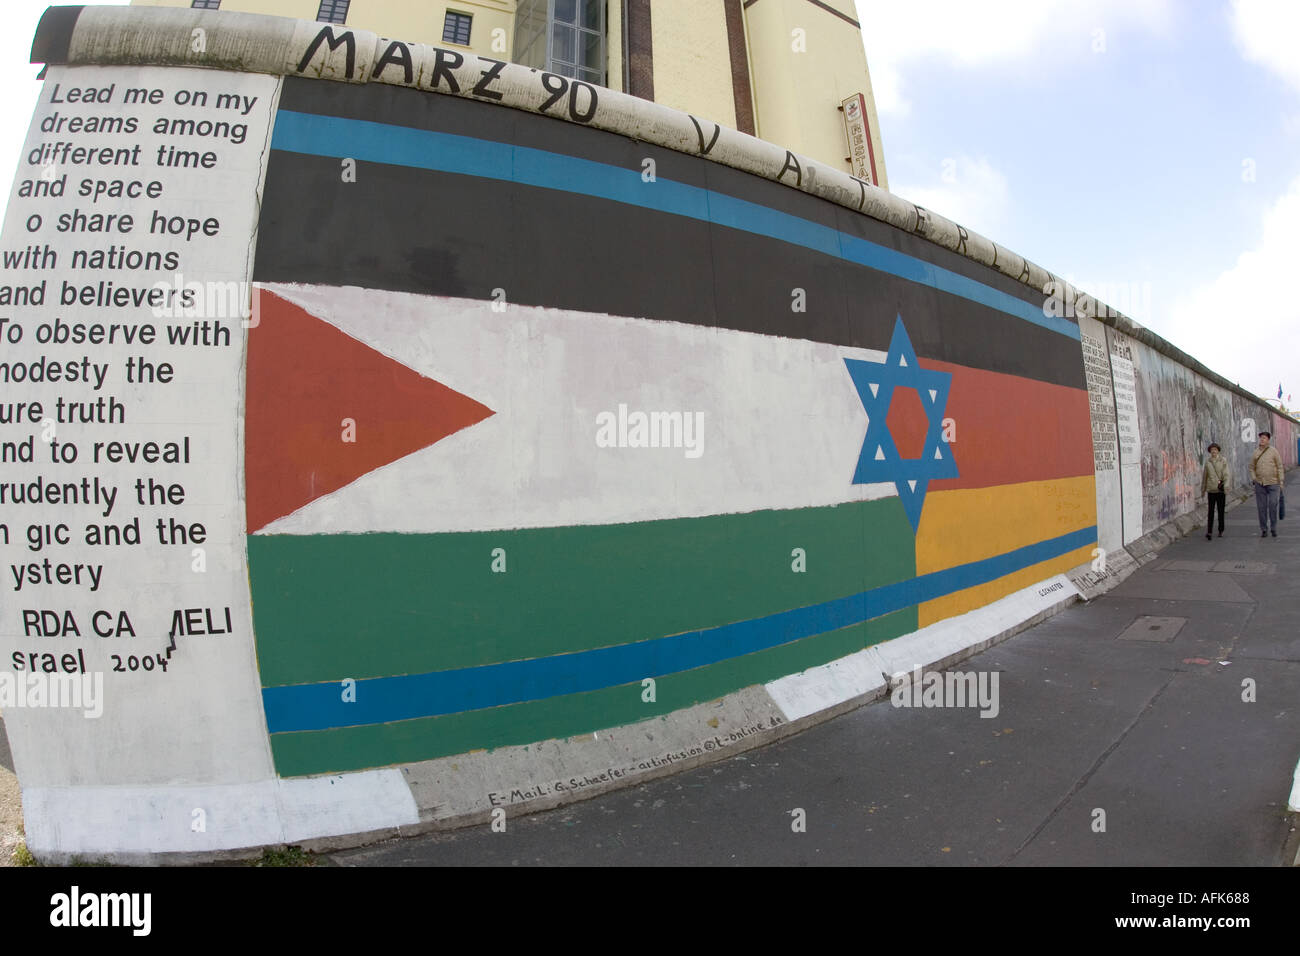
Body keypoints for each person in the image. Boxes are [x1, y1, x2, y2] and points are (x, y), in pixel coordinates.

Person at [1250, 430, 1284, 537]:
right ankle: (1264, 529)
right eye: (1261, 438)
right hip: (1260, 483)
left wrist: (1281, 480)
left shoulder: (1274, 451)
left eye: (1264, 438)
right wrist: (1254, 478)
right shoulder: (1256, 452)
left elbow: (1279, 466)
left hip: (1273, 482)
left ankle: (1273, 527)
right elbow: (1251, 467)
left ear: (1268, 440)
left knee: (1273, 504)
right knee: (1261, 507)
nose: (1262, 440)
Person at [1201, 442, 1228, 539]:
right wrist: (1203, 490)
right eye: (1212, 450)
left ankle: (1221, 530)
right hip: (1211, 490)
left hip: (1220, 490)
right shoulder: (1207, 462)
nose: (1213, 451)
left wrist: (1226, 486)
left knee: (1221, 511)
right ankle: (1209, 531)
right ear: (1210, 451)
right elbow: (1205, 477)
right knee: (1210, 511)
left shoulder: (1223, 460)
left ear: (1218, 451)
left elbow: (1226, 475)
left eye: (1215, 449)